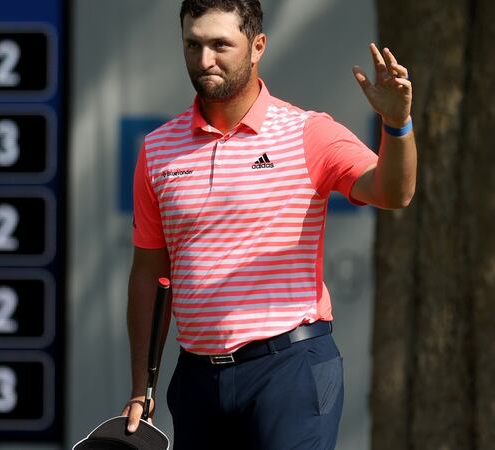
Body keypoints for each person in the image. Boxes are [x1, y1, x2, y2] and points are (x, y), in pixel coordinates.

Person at [122, 0, 416, 448]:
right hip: (198, 377)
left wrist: (397, 126)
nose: (205, 60)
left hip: (290, 367)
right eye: (193, 44)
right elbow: (149, 272)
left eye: (221, 44)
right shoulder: (158, 149)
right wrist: (141, 387)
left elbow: (393, 193)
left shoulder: (307, 132)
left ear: (257, 46)